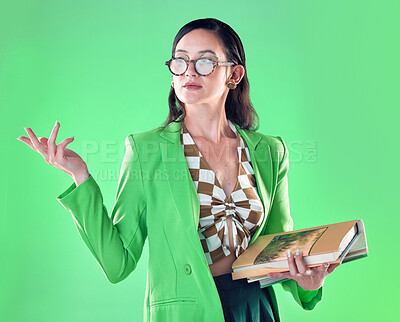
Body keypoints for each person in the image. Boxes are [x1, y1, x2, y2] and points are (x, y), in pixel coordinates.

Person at [17, 18, 339, 322]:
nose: (189, 72)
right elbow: (118, 262)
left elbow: (276, 242)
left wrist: (307, 283)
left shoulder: (269, 151)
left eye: (205, 61)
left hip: (254, 307)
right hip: (188, 310)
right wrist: (80, 177)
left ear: (234, 75)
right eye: (180, 60)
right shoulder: (147, 151)